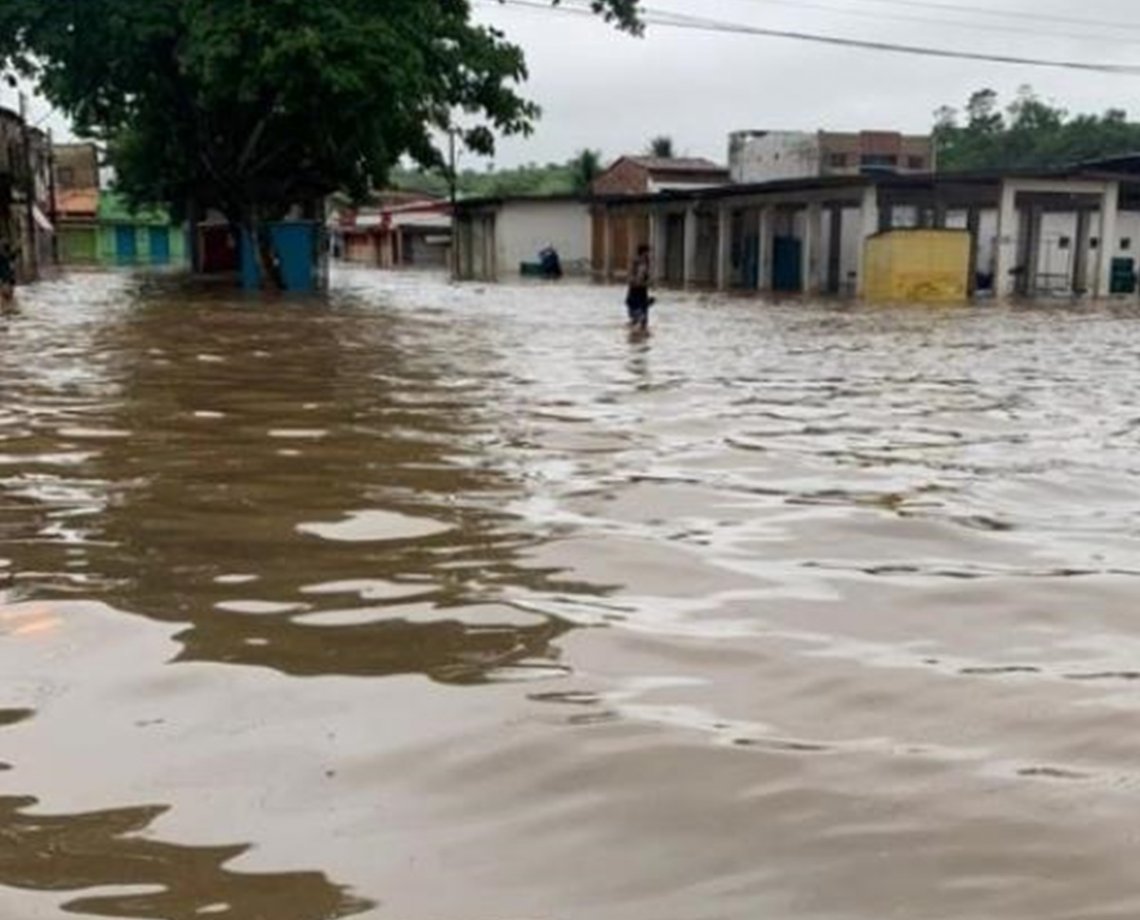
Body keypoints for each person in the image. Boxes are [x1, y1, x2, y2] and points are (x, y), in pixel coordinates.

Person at [625, 244, 655, 331]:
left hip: (642, 289)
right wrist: (636, 282)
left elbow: (647, 276)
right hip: (635, 289)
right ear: (643, 252)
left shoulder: (647, 262)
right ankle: (635, 330)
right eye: (647, 252)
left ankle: (642, 332)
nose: (649, 254)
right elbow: (631, 275)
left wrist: (648, 282)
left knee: (643, 316)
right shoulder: (636, 262)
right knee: (637, 312)